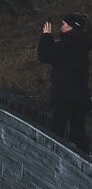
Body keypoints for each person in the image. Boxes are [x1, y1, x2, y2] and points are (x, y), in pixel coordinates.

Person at [38, 13, 90, 154]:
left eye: (64, 24)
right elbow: (56, 59)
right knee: (78, 134)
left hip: (64, 95)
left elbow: (44, 55)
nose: (61, 27)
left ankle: (51, 158)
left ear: (71, 26)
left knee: (57, 132)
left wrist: (46, 36)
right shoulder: (80, 46)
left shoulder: (68, 44)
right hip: (79, 96)